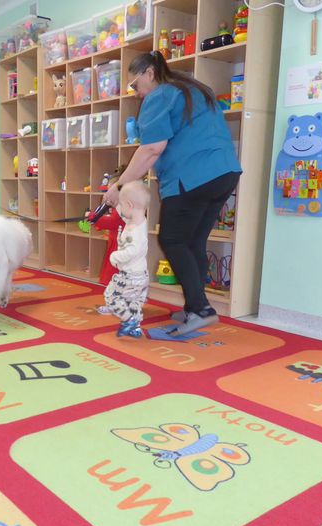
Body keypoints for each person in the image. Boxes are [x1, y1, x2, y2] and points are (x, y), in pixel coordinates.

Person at [103, 51, 241, 335]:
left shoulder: (160, 95)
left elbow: (152, 148)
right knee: (193, 241)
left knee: (172, 239)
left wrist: (119, 187)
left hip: (194, 176)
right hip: (224, 172)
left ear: (150, 73)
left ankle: (201, 309)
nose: (137, 93)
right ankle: (195, 306)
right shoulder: (193, 89)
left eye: (135, 85)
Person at [103, 181, 151, 338]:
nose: (121, 210)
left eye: (122, 205)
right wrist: (116, 203)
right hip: (140, 275)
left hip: (130, 275)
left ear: (130, 205)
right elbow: (126, 214)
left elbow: (132, 251)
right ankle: (135, 328)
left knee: (111, 297)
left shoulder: (135, 232)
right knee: (133, 302)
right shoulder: (138, 221)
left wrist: (115, 256)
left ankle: (129, 320)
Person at [89, 205, 125, 315]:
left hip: (120, 246)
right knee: (119, 277)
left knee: (115, 276)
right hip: (119, 244)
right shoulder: (120, 205)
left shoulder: (121, 206)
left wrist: (92, 217)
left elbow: (112, 221)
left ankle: (114, 305)